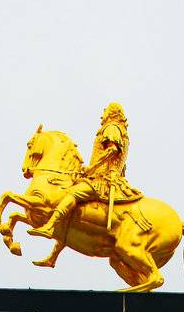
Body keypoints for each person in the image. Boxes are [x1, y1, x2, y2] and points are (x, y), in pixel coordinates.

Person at [28, 102, 142, 240]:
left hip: (101, 181)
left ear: (110, 113)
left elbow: (112, 150)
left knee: (72, 193)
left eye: (105, 111)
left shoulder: (111, 128)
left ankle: (50, 226)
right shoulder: (122, 133)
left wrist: (91, 168)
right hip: (107, 179)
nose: (103, 115)